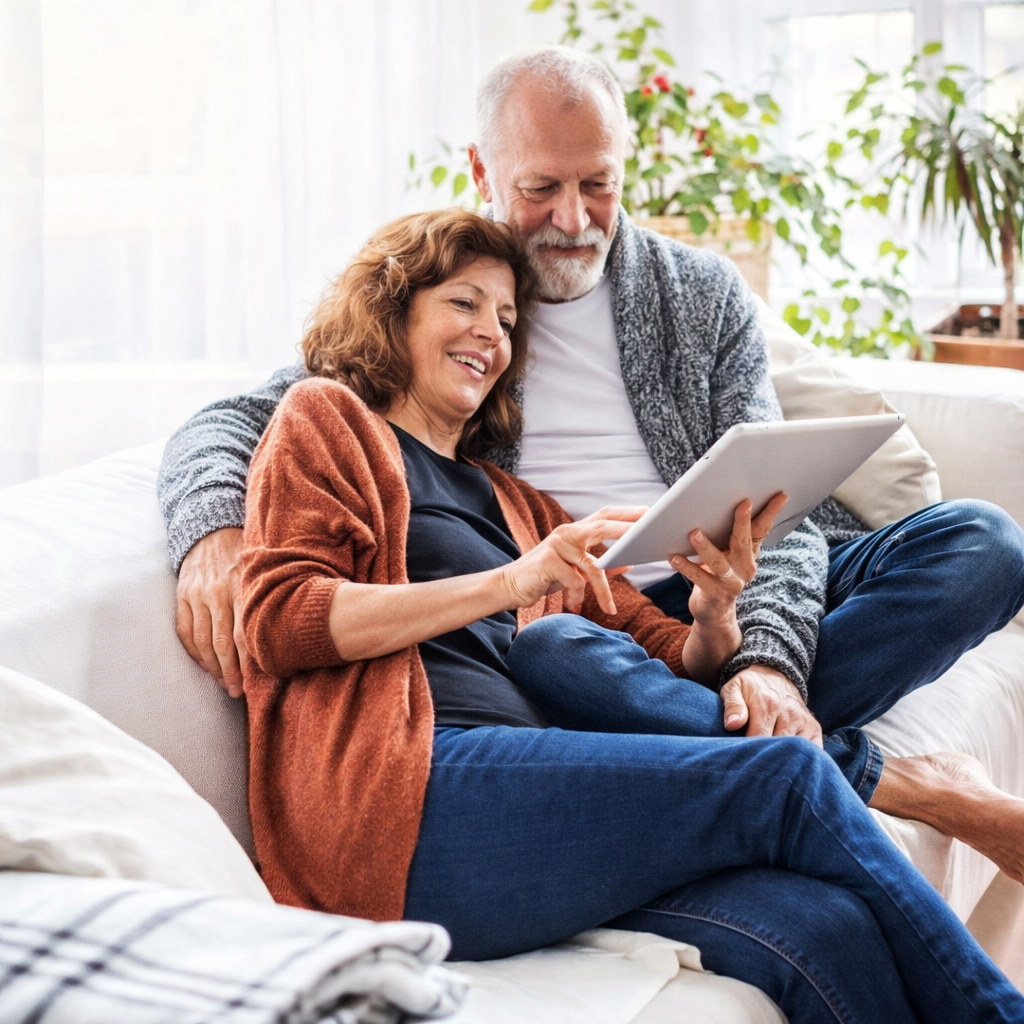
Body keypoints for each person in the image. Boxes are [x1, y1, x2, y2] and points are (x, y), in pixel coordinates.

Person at [159, 45, 1024, 873]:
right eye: (539, 188)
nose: (572, 221)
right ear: (483, 170)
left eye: (597, 185)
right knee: (565, 654)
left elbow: (781, 516)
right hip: (582, 616)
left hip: (721, 586)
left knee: (984, 545)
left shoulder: (699, 292)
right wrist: (211, 532)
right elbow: (235, 420)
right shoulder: (452, 302)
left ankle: (723, 724)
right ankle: (883, 775)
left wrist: (767, 658)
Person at [237, 206, 1024, 1024]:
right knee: (786, 776)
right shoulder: (327, 421)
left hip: (544, 789)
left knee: (823, 929)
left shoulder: (522, 506)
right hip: (408, 805)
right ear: (393, 308)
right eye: (463, 304)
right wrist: (510, 584)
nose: (490, 333)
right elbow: (281, 620)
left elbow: (668, 653)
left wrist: (719, 615)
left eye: (506, 318)